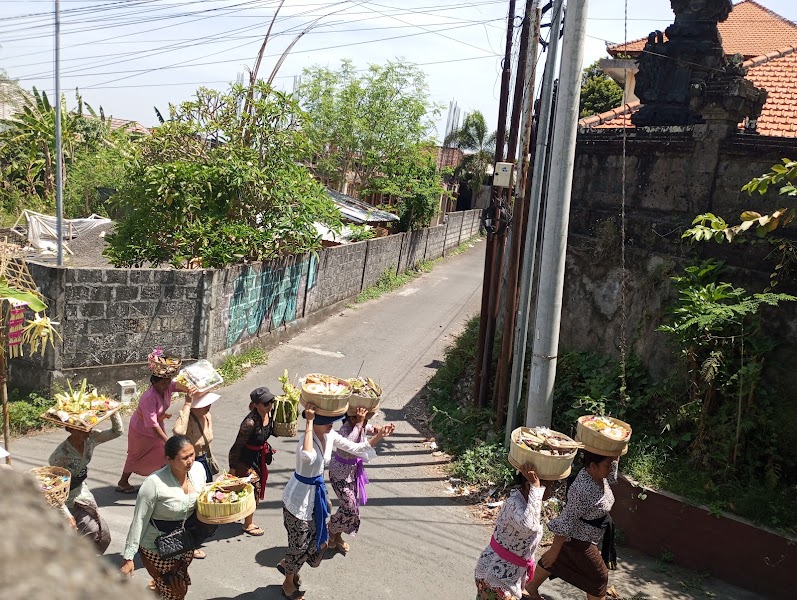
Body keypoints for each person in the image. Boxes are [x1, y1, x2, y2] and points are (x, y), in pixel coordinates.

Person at [277, 405, 394, 600]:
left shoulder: (330, 435)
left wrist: (380, 435)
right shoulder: (305, 440)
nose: (332, 424)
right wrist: (308, 422)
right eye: (327, 420)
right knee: (299, 544)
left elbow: (356, 448)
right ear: (316, 422)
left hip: (316, 497)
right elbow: (308, 456)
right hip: (297, 500)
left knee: (317, 542)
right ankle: (288, 582)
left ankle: (288, 565)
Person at [120, 435, 209, 600]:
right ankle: (161, 586)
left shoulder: (198, 469)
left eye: (192, 454)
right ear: (169, 460)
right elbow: (139, 520)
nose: (190, 460)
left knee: (175, 585)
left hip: (184, 541)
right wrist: (129, 557)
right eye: (184, 458)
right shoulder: (153, 484)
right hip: (155, 547)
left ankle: (158, 587)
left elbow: (206, 497)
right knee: (176, 591)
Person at [526, 452, 620, 600]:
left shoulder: (600, 476)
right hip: (579, 540)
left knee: (557, 560)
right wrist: (554, 550)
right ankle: (530, 587)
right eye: (607, 465)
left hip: (588, 537)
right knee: (599, 576)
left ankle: (530, 588)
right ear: (593, 466)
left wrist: (616, 454)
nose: (610, 468)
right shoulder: (582, 489)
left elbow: (611, 476)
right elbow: (567, 519)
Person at [49, 410, 124, 554]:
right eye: (82, 429)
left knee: (99, 533)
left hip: (84, 494)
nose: (87, 431)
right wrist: (66, 515)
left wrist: (113, 411)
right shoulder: (60, 456)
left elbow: (117, 432)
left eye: (88, 427)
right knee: (88, 532)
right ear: (70, 429)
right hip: (67, 501)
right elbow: (54, 490)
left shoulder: (91, 438)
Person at [328, 407, 395, 553]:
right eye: (360, 420)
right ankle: (332, 528)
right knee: (350, 505)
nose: (365, 424)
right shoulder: (344, 430)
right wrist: (359, 424)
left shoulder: (362, 424)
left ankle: (336, 535)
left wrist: (381, 429)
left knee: (351, 510)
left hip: (352, 473)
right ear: (351, 419)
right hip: (339, 474)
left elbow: (372, 428)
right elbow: (351, 447)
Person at [474, 464, 544, 600]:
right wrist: (536, 486)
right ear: (529, 486)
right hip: (497, 579)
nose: (551, 490)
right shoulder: (514, 504)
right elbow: (530, 527)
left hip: (503, 577)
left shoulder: (526, 504)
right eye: (547, 486)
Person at [117, 371, 192, 494]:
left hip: (157, 425)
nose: (166, 385)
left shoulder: (169, 386)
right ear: (154, 383)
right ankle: (123, 481)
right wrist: (167, 440)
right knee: (135, 455)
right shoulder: (148, 397)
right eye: (163, 383)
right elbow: (152, 424)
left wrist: (192, 388)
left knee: (163, 454)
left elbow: (181, 386)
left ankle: (166, 481)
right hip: (141, 429)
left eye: (168, 382)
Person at [173, 390, 220, 559]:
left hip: (204, 462)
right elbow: (178, 432)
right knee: (192, 505)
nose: (208, 406)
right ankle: (188, 545)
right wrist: (187, 403)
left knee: (205, 502)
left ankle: (199, 533)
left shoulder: (207, 416)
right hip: (190, 466)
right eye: (203, 404)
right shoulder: (188, 419)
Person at [228, 387, 275, 536]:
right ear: (256, 404)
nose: (270, 405)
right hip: (245, 460)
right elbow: (236, 447)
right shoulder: (249, 423)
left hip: (259, 457)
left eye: (271, 401)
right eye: (266, 403)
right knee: (254, 487)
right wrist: (233, 469)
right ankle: (248, 524)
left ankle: (245, 517)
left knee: (252, 488)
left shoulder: (270, 414)